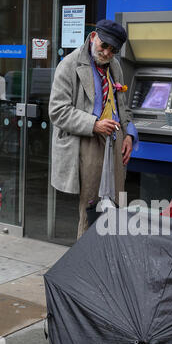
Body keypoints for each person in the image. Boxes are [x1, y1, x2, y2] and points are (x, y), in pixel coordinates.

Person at [49, 19, 138, 239]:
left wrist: (129, 135)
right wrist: (94, 124)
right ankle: (85, 263)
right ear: (93, 37)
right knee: (91, 208)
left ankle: (109, 258)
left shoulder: (115, 66)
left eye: (113, 50)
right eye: (104, 46)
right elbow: (57, 111)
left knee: (116, 205)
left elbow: (121, 106)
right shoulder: (69, 65)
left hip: (114, 140)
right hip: (87, 141)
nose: (107, 52)